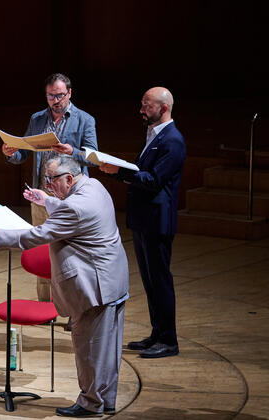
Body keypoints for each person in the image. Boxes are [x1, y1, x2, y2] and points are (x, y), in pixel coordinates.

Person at [0, 155, 129, 417]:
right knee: (108, 349)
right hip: (113, 279)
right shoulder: (94, 186)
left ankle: (91, 404)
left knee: (90, 349)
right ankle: (105, 400)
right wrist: (47, 200)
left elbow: (39, 234)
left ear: (69, 178)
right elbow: (72, 209)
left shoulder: (74, 207)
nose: (47, 184)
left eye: (51, 180)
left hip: (93, 286)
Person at [100, 86, 186, 359]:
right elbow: (142, 173)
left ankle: (169, 340)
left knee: (160, 280)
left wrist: (120, 171)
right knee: (150, 281)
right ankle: (157, 334)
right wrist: (119, 172)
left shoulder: (173, 140)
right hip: (143, 219)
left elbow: (153, 180)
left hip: (157, 221)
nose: (141, 109)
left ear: (163, 108)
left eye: (147, 105)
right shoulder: (154, 134)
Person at [2, 73, 98, 302]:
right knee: (43, 251)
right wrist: (11, 153)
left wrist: (72, 151)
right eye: (51, 96)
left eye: (60, 95)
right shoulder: (37, 119)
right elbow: (24, 152)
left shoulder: (85, 120)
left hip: (71, 197)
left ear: (70, 93)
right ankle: (46, 306)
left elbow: (94, 159)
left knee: (71, 252)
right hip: (42, 195)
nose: (55, 100)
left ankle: (75, 307)